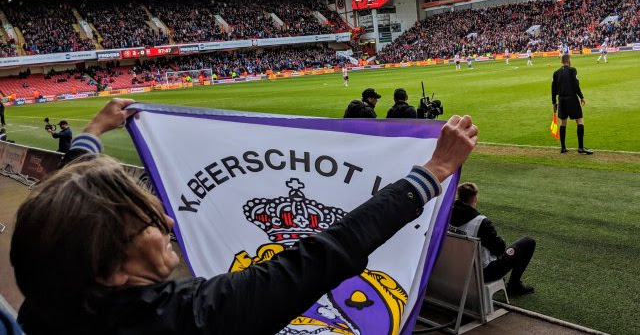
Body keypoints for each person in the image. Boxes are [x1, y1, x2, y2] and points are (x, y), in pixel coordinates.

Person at [11, 98, 478, 335]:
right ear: (110, 267)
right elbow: (324, 253)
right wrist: (433, 172)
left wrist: (91, 134)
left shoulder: (51, 294)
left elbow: (68, 210)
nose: (170, 224)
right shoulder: (188, 319)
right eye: (151, 224)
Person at [449, 182, 535, 295]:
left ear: (458, 197)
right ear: (475, 198)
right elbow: (499, 249)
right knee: (528, 242)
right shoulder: (481, 222)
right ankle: (514, 285)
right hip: (481, 273)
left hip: (451, 268)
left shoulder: (445, 215)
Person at [551, 54, 593, 154]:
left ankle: (563, 147)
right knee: (580, 121)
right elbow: (576, 85)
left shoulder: (556, 73)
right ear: (569, 61)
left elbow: (553, 89)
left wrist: (554, 102)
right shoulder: (572, 70)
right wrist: (581, 97)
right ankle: (581, 147)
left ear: (561, 62)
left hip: (561, 99)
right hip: (572, 98)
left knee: (563, 122)